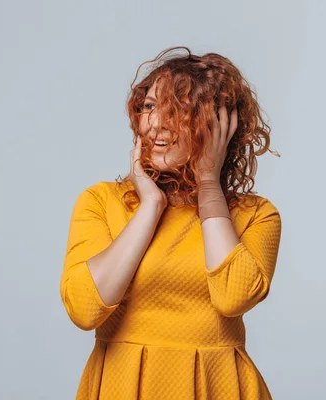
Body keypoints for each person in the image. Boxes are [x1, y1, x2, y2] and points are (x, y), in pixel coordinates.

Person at [59, 46, 283, 400]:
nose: (157, 123)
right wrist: (150, 204)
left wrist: (208, 183)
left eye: (179, 110)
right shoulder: (101, 202)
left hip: (219, 386)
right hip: (121, 385)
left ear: (220, 126)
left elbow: (233, 298)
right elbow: (85, 309)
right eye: (149, 106)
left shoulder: (255, 215)